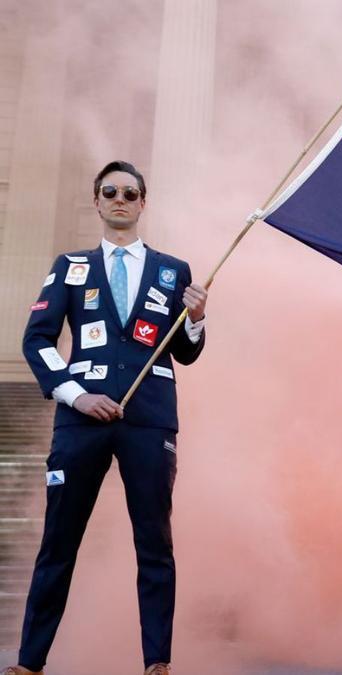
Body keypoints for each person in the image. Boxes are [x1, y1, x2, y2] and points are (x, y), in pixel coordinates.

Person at [5, 161, 209, 675]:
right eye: (110, 191)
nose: (120, 199)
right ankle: (30, 663)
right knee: (59, 542)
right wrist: (75, 395)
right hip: (81, 422)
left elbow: (183, 354)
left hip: (149, 422)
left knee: (155, 544)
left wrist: (198, 320)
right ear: (97, 201)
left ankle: (157, 663)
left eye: (130, 192)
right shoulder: (70, 266)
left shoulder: (173, 270)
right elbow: (36, 340)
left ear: (143, 203)